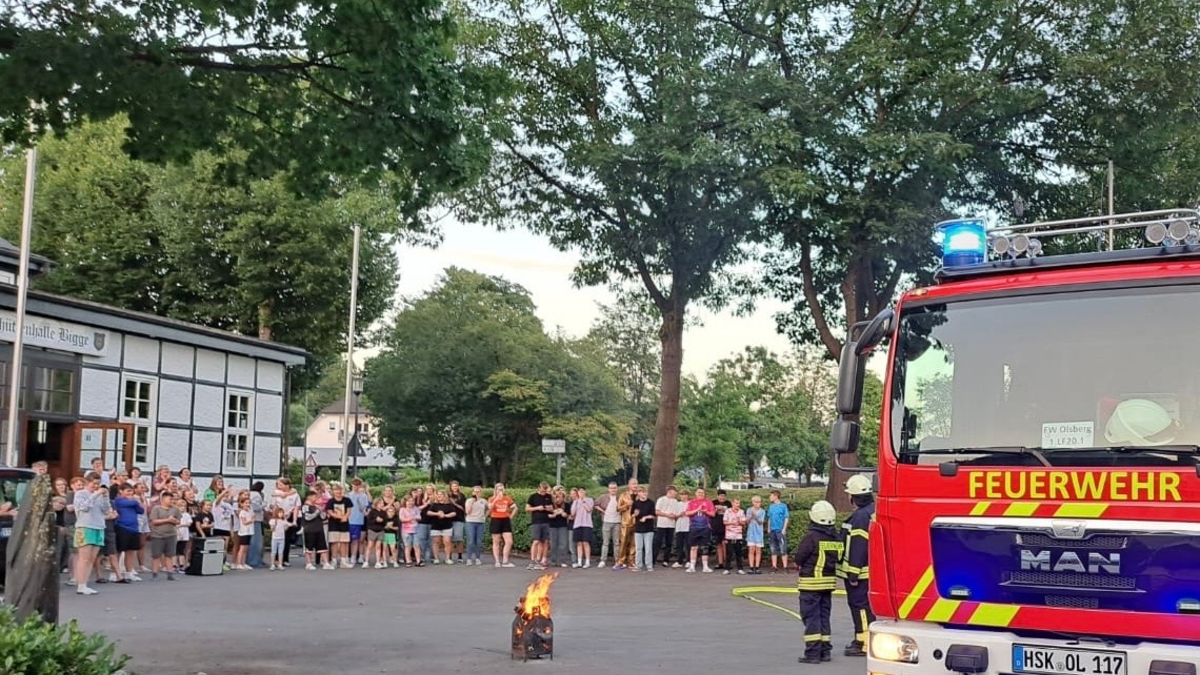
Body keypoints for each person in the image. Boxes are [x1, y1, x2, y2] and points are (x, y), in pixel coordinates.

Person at [796, 500, 842, 664]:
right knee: (824, 617)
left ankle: (812, 653)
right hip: (828, 585)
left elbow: (799, 557)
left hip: (810, 585)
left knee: (811, 618)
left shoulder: (811, 537)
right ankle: (825, 651)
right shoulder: (836, 537)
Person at [840, 474, 876, 657]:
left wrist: (852, 574)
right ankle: (865, 640)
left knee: (860, 607)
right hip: (871, 571)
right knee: (867, 607)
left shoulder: (861, 517)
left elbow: (858, 547)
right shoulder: (872, 510)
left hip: (860, 574)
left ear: (853, 496)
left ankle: (863, 643)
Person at [72, 473, 109, 595]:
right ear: (87, 482)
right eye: (94, 484)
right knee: (84, 558)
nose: (96, 486)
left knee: (92, 558)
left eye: (98, 484)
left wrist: (105, 497)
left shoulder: (99, 494)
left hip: (99, 526)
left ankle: (85, 584)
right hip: (85, 526)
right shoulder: (80, 494)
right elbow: (84, 507)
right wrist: (95, 494)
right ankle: (80, 585)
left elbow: (106, 510)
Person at [113, 483, 145, 582]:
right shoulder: (118, 501)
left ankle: (129, 572)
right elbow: (131, 504)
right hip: (122, 527)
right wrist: (135, 501)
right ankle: (114, 573)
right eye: (128, 491)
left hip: (134, 528)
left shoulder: (133, 502)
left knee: (131, 551)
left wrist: (136, 502)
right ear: (121, 491)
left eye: (131, 491)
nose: (130, 493)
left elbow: (141, 510)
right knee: (119, 551)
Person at [149, 491, 181, 581]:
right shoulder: (156, 508)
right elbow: (154, 521)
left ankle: (170, 574)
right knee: (156, 555)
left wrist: (174, 521)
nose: (172, 501)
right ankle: (155, 574)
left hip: (171, 535)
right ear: (163, 499)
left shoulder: (175, 509)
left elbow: (178, 521)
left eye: (173, 499)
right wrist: (168, 520)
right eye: (170, 499)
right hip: (158, 535)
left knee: (169, 555)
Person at [684, 487, 715, 573]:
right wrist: (697, 509)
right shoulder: (692, 502)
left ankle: (705, 566)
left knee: (705, 547)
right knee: (693, 547)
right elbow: (687, 513)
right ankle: (692, 566)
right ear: (695, 493)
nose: (700, 494)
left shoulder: (708, 502)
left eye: (702, 492)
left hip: (705, 527)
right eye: (699, 492)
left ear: (704, 494)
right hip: (694, 527)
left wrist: (705, 512)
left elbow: (712, 514)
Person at [525, 482, 553, 570]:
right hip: (536, 521)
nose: (544, 490)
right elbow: (527, 508)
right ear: (539, 487)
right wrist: (537, 508)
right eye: (543, 488)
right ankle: (532, 561)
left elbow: (552, 508)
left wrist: (549, 508)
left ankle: (541, 560)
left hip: (546, 521)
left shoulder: (548, 497)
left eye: (546, 488)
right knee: (536, 541)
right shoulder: (533, 496)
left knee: (544, 542)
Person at [325, 484, 355, 568]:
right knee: (334, 542)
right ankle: (333, 560)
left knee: (344, 542)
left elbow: (349, 510)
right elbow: (330, 512)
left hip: (344, 524)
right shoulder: (330, 501)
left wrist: (345, 517)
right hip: (334, 524)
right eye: (336, 490)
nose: (338, 492)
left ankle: (343, 561)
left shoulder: (347, 500)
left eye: (340, 490)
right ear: (333, 492)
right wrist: (340, 517)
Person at [301, 492, 332, 570]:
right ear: (309, 497)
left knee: (323, 547)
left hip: (319, 529)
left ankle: (326, 563)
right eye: (315, 497)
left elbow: (323, 517)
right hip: (309, 530)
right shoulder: (305, 506)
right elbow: (307, 517)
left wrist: (322, 512)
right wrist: (317, 512)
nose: (316, 499)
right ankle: (308, 563)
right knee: (309, 547)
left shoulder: (316, 507)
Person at [488, 483, 516, 568]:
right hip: (496, 520)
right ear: (496, 490)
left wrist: (511, 516)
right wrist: (496, 499)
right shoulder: (491, 498)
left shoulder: (507, 498)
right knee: (496, 542)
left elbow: (515, 507)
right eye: (499, 489)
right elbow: (490, 508)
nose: (501, 491)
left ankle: (505, 561)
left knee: (509, 541)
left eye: (502, 489)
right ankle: (497, 561)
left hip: (505, 520)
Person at [594, 482, 621, 568]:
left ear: (617, 489)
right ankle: (603, 560)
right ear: (608, 489)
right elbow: (595, 504)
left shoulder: (619, 497)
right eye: (611, 488)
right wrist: (602, 511)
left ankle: (617, 560)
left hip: (617, 522)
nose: (613, 490)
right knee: (605, 542)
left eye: (614, 488)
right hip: (606, 521)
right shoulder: (603, 497)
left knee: (616, 542)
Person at [427, 491, 457, 564]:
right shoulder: (434, 505)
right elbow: (428, 512)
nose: (439, 496)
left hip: (447, 526)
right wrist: (437, 513)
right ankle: (436, 558)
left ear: (444, 496)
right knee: (436, 542)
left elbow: (454, 513)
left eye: (441, 494)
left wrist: (445, 515)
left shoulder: (449, 505)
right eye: (438, 494)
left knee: (447, 542)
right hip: (435, 526)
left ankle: (447, 558)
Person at [347, 478, 372, 565]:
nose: (356, 487)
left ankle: (354, 557)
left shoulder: (363, 496)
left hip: (358, 520)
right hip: (348, 519)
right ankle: (348, 556)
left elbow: (363, 509)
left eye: (358, 485)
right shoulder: (348, 495)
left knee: (356, 540)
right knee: (348, 540)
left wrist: (358, 503)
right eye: (354, 485)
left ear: (360, 486)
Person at [653, 485, 679, 567]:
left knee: (669, 542)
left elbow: (676, 513)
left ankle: (666, 560)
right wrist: (667, 515)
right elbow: (657, 512)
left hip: (671, 525)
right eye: (674, 493)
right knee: (658, 542)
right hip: (661, 524)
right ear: (669, 492)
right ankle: (653, 559)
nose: (675, 495)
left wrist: (674, 516)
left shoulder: (675, 501)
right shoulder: (661, 500)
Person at [631, 486, 656, 572]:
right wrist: (635, 514)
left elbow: (653, 515)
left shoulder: (651, 503)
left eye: (645, 492)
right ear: (638, 493)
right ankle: (638, 565)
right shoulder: (635, 503)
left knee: (648, 548)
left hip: (648, 529)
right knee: (638, 548)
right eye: (641, 492)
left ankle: (649, 565)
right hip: (638, 528)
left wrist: (645, 517)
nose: (644, 494)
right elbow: (632, 515)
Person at [615, 478, 637, 570]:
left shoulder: (639, 495)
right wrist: (627, 505)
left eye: (636, 484)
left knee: (634, 543)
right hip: (626, 522)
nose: (635, 486)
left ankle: (632, 562)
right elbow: (618, 508)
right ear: (629, 485)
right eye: (633, 484)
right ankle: (620, 561)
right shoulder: (623, 495)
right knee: (623, 542)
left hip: (636, 522)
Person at [570, 486, 594, 568]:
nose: (581, 493)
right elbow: (572, 513)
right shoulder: (576, 502)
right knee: (579, 543)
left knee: (586, 542)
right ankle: (579, 561)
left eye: (582, 491)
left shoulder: (589, 500)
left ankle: (587, 561)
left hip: (587, 524)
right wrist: (577, 502)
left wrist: (583, 501)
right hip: (577, 524)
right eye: (580, 492)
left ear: (585, 492)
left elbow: (589, 509)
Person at [722, 497, 747, 575]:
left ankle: (740, 568)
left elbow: (744, 522)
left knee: (738, 553)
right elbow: (724, 522)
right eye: (736, 503)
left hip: (738, 535)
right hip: (729, 535)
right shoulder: (727, 511)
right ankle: (727, 568)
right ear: (732, 503)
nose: (738, 505)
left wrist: (739, 521)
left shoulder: (741, 511)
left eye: (739, 503)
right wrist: (732, 522)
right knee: (729, 553)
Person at [464, 485, 488, 566]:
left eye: (478, 492)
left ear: (481, 493)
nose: (477, 493)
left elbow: (489, 508)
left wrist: (485, 516)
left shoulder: (484, 501)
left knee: (479, 541)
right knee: (470, 541)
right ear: (472, 492)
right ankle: (469, 558)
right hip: (470, 521)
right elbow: (467, 512)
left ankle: (477, 558)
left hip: (480, 522)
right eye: (475, 491)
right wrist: (472, 502)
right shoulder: (469, 500)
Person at [767, 489, 790, 573]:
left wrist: (784, 529)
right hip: (772, 530)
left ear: (776, 496)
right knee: (773, 548)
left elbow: (786, 518)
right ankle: (774, 566)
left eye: (771, 495)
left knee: (782, 548)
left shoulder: (783, 506)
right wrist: (768, 528)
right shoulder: (771, 506)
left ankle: (785, 567)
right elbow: (769, 518)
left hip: (780, 530)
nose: (770, 497)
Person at [547, 488, 571, 568]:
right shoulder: (551, 505)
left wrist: (563, 513)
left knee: (563, 544)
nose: (558, 499)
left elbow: (569, 516)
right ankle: (553, 561)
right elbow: (547, 515)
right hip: (552, 526)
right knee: (553, 544)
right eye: (556, 497)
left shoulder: (566, 505)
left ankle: (562, 561)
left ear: (563, 497)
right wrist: (554, 514)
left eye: (560, 496)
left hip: (563, 526)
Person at [447, 480, 468, 563]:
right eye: (453, 486)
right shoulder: (448, 495)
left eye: (456, 486)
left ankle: (460, 556)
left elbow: (464, 509)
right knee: (449, 538)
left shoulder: (462, 496)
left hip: (459, 518)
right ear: (450, 487)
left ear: (458, 487)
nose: (454, 488)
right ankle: (449, 556)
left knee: (458, 538)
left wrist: (455, 504)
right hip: (449, 519)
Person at [745, 495, 766, 574]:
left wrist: (755, 516)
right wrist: (750, 516)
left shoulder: (762, 511)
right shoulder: (749, 510)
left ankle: (757, 567)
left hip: (759, 532)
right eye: (756, 502)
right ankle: (751, 567)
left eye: (759, 502)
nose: (758, 503)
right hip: (751, 532)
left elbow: (761, 522)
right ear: (753, 502)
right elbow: (746, 521)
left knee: (758, 550)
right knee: (751, 549)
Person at [671, 489, 690, 569]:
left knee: (688, 545)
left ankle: (688, 560)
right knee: (679, 545)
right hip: (679, 527)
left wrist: (687, 513)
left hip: (688, 526)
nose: (683, 496)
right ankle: (679, 561)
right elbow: (674, 515)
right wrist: (680, 514)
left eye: (685, 495)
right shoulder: (677, 504)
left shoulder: (690, 503)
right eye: (682, 495)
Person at [269, 506, 289, 571]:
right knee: (273, 551)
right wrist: (274, 526)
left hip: (282, 538)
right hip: (275, 538)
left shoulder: (283, 521)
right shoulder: (273, 520)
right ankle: (272, 564)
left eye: (282, 513)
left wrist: (287, 526)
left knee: (281, 552)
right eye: (280, 512)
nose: (281, 514)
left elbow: (286, 528)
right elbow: (272, 529)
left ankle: (280, 564)